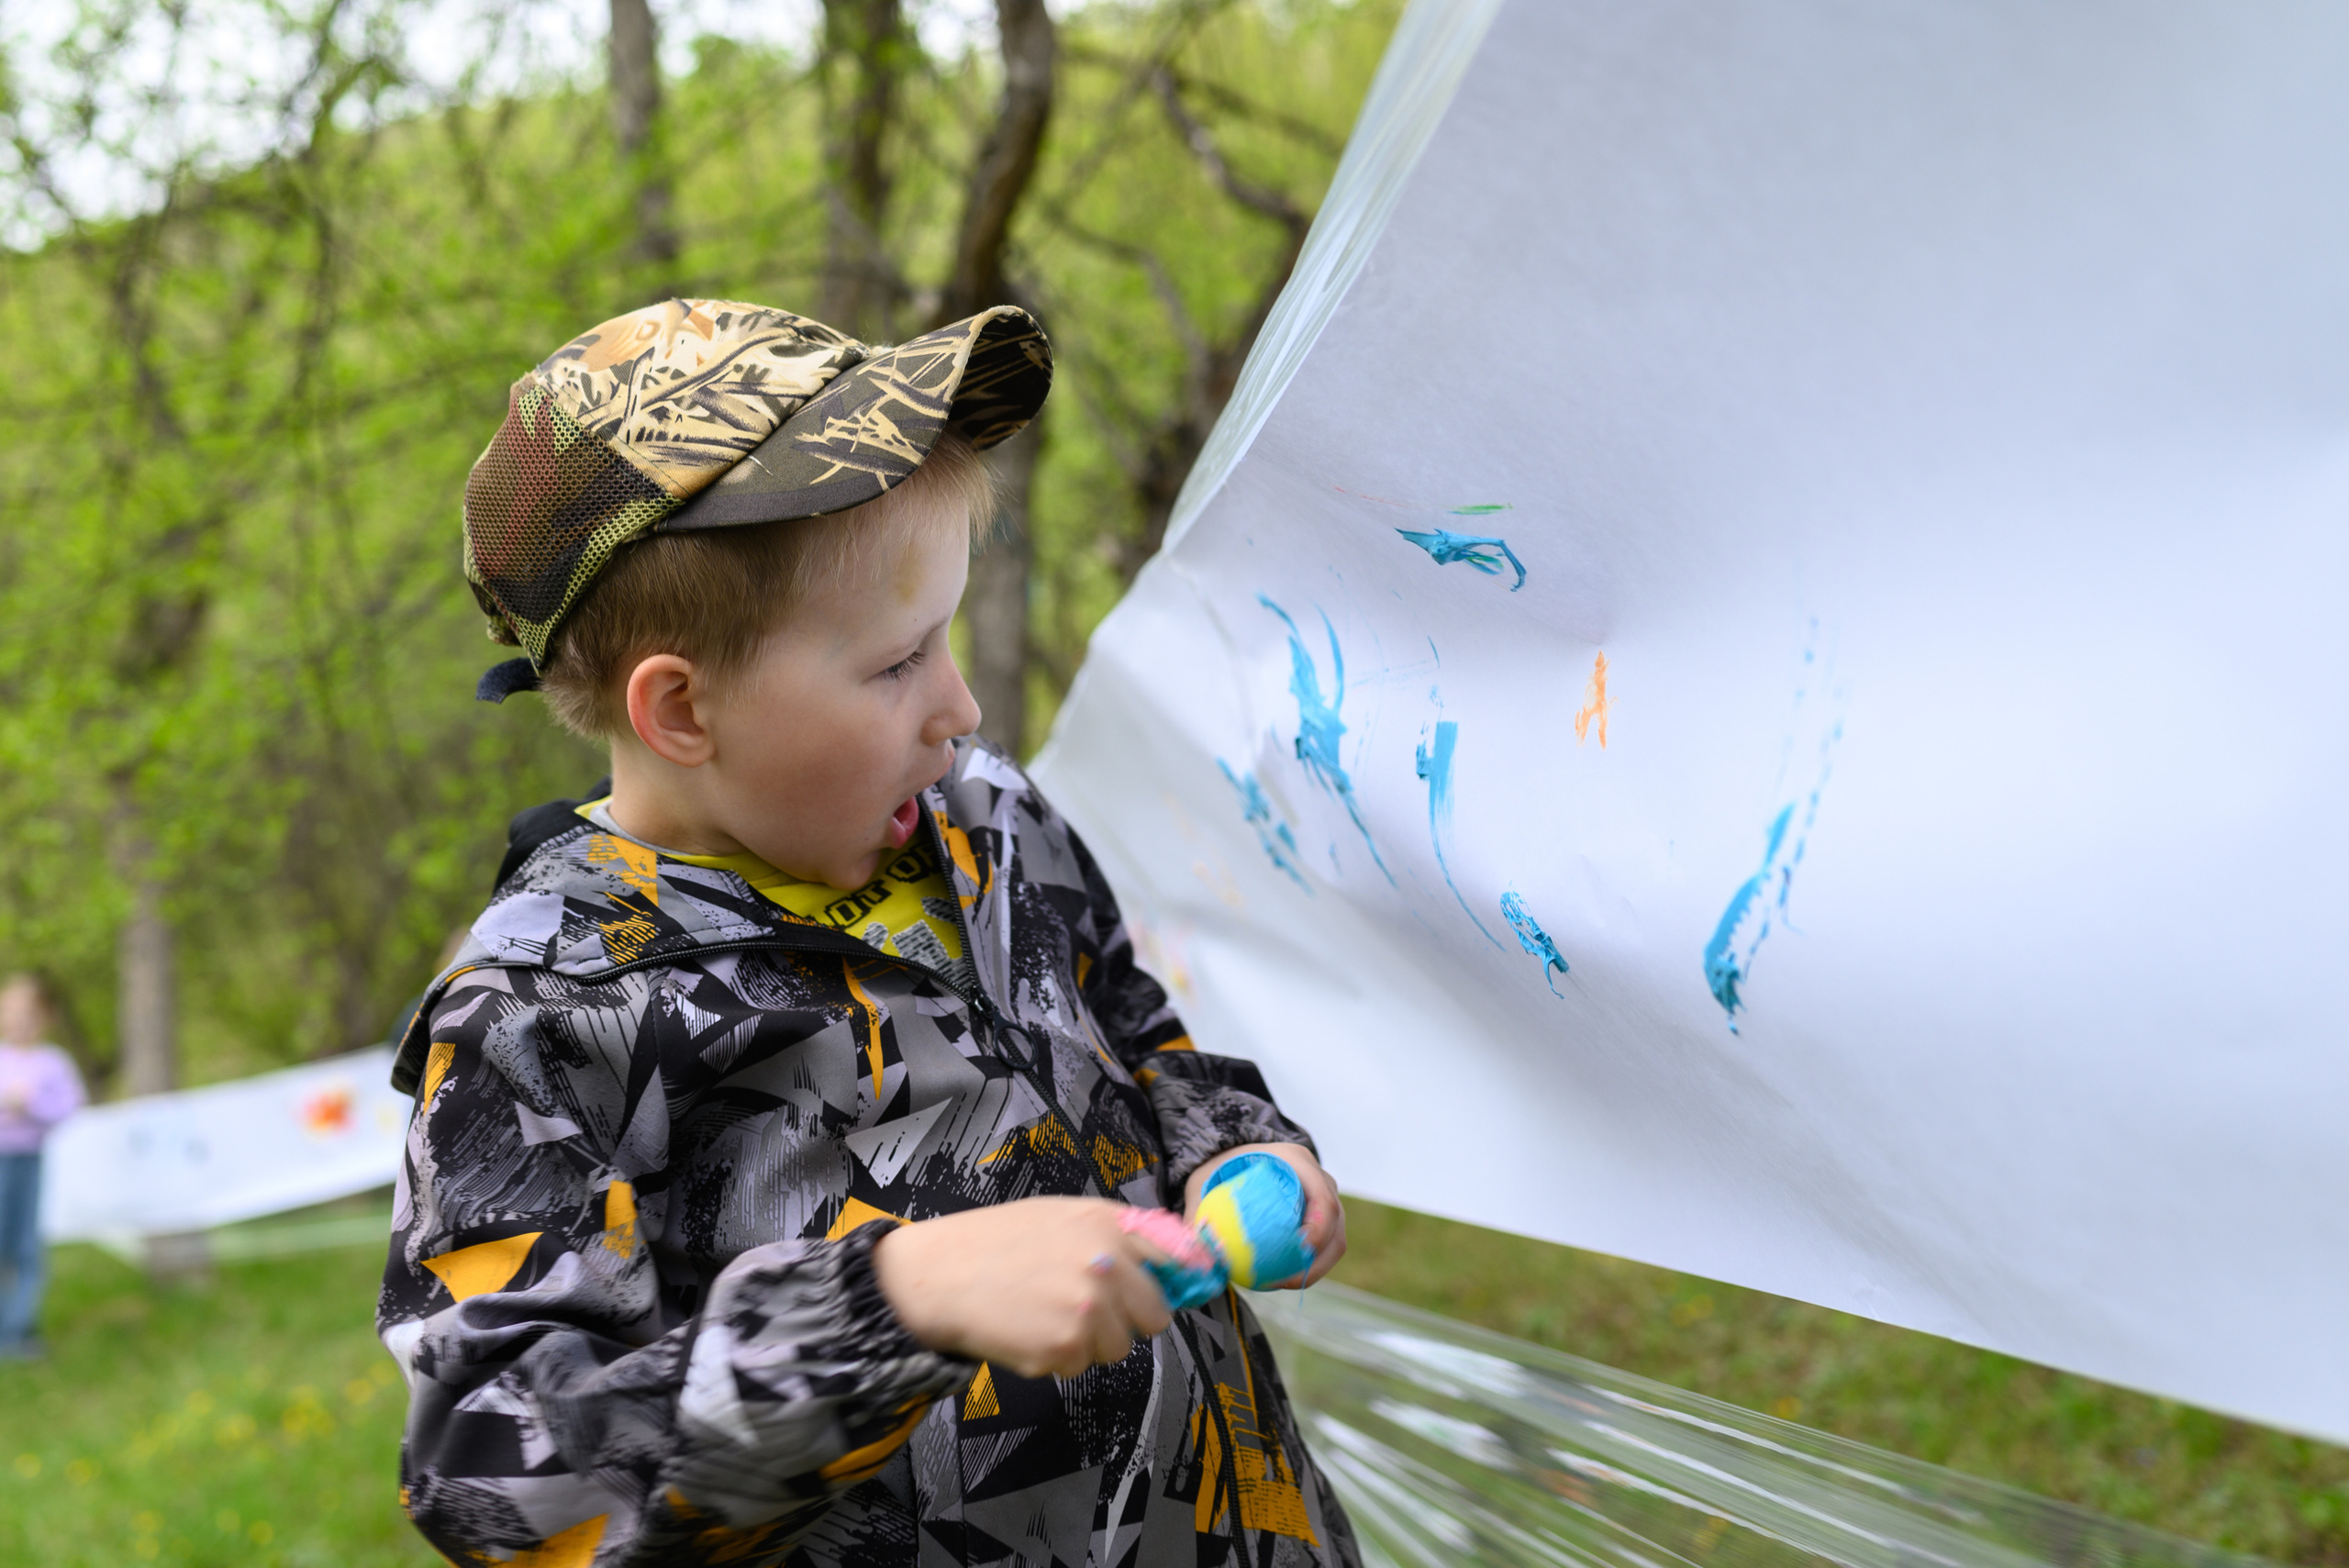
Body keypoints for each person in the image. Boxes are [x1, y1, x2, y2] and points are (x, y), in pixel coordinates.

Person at [379, 300, 1357, 1567]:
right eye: (897, 662)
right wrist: (894, 1305)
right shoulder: (542, 1014)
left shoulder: (984, 817)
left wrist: (1231, 1147)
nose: (960, 703)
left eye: (947, 636)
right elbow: (506, 1481)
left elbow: (1136, 1033)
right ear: (682, 707)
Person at [0, 973, 87, 1359]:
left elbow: (69, 1108)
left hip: (29, 1161)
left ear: (45, 1017)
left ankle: (19, 1330)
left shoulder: (53, 1063)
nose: (21, 1020)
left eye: (29, 1013)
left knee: (25, 1246)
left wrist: (31, 1104)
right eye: (13, 1011)